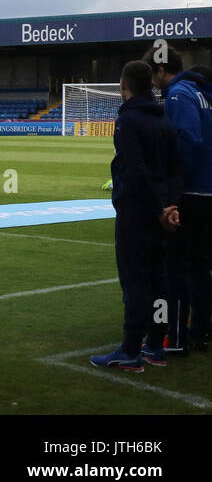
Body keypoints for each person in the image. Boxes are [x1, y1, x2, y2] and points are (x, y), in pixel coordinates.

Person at [90, 61, 182, 371]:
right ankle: (155, 344)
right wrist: (170, 206)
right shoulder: (164, 120)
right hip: (162, 210)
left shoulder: (128, 122)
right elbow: (173, 170)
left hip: (137, 211)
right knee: (159, 279)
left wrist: (158, 208)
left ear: (123, 85)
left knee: (135, 281)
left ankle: (130, 349)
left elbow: (135, 168)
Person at [145, 48, 212, 354]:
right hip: (206, 189)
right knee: (198, 264)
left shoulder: (179, 94)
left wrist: (172, 190)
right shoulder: (203, 94)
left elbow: (188, 140)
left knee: (177, 265)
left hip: (192, 192)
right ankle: (200, 330)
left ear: (160, 70)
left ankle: (176, 337)